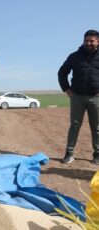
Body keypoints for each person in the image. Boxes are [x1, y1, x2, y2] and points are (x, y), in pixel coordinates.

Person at [58, 29, 99, 164]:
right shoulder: (74, 56)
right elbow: (62, 72)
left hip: (96, 98)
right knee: (74, 125)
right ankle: (69, 153)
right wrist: (67, 89)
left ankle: (97, 155)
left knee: (97, 127)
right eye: (86, 40)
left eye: (91, 41)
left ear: (97, 41)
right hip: (77, 97)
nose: (88, 43)